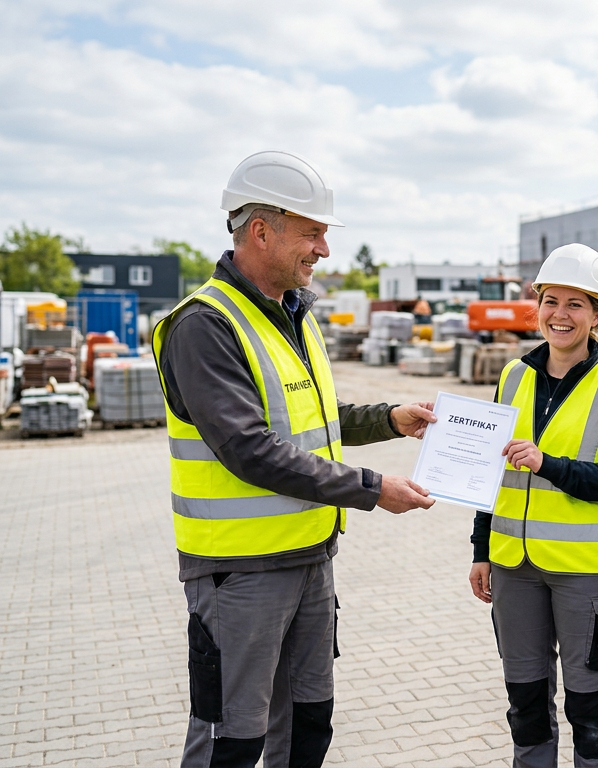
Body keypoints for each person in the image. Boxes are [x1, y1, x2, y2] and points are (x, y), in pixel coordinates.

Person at [153, 150, 437, 768]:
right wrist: (371, 488)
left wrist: (390, 418)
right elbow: (250, 449)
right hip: (239, 574)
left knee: (307, 728)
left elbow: (316, 422)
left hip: (310, 560)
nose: (324, 250)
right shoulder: (204, 326)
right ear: (261, 230)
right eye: (312, 233)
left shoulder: (293, 316)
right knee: (231, 741)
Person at [467, 243, 598, 768]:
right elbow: (491, 476)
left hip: (585, 574)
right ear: (537, 306)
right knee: (525, 705)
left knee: (590, 711)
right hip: (513, 568)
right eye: (551, 301)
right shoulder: (512, 377)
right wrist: (482, 549)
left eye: (576, 304)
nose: (560, 315)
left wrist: (550, 463)